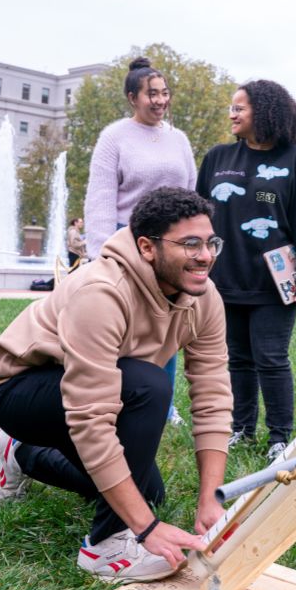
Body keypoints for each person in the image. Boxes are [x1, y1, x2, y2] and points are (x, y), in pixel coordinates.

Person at [0, 187, 231, 583]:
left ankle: (20, 455)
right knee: (147, 385)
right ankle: (104, 547)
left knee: (148, 494)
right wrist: (143, 529)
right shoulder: (102, 292)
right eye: (190, 244)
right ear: (147, 247)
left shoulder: (203, 297)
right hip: (21, 389)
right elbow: (90, 419)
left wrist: (210, 498)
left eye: (209, 242)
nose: (206, 255)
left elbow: (213, 395)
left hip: (101, 389)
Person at [196, 79, 296, 464]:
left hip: (275, 282)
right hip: (224, 278)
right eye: (231, 107)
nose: (232, 114)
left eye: (240, 108)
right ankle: (241, 428)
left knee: (271, 357)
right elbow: (199, 217)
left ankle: (280, 436)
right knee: (237, 358)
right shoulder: (218, 158)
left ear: (265, 112)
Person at [84, 57, 196, 425]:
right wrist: (100, 253)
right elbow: (100, 196)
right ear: (133, 97)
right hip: (129, 241)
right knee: (123, 323)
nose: (161, 100)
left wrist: (194, 240)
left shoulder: (179, 139)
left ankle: (163, 404)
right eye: (152, 94)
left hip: (173, 245)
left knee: (168, 322)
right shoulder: (114, 137)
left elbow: (190, 191)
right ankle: (113, 396)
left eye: (165, 93)